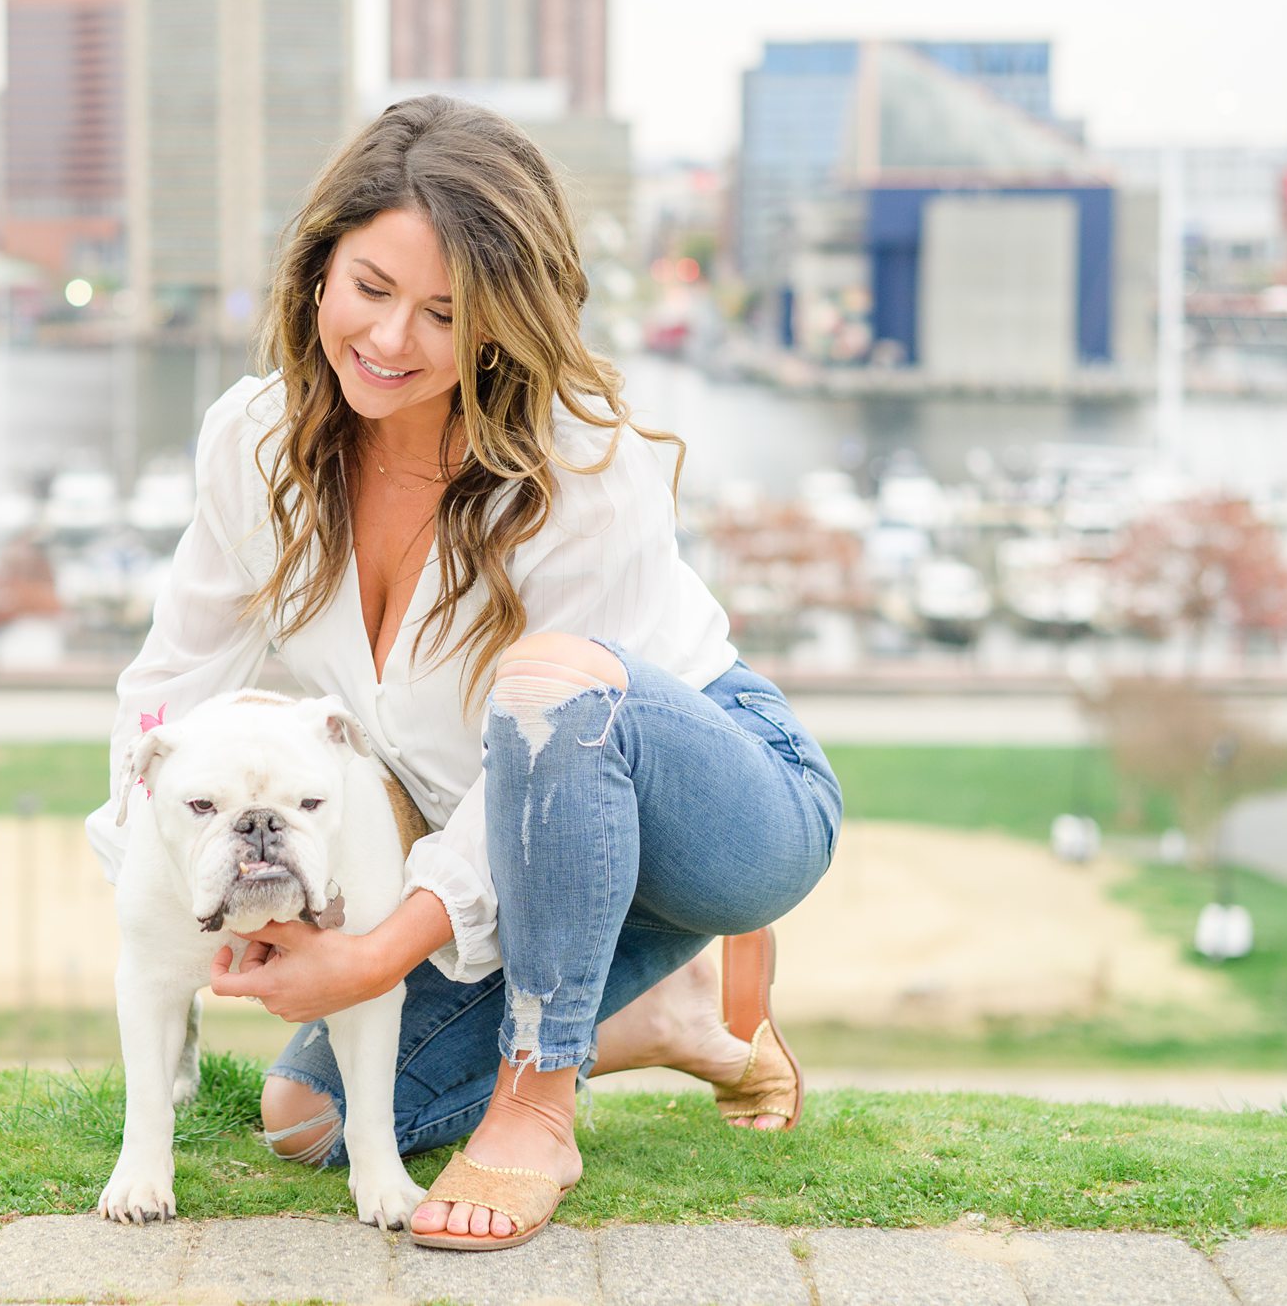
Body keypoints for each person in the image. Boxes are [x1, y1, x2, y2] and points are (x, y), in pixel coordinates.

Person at [84, 95, 841, 1250]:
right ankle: (671, 1009)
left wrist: (375, 950)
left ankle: (541, 1103)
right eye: (370, 288)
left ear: (501, 322)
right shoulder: (255, 442)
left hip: (718, 803)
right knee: (305, 1121)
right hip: (521, 852)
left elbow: (542, 737)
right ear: (317, 274)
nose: (389, 340)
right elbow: (170, 684)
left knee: (546, 683)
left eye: (445, 312)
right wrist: (175, 871)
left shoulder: (585, 470)